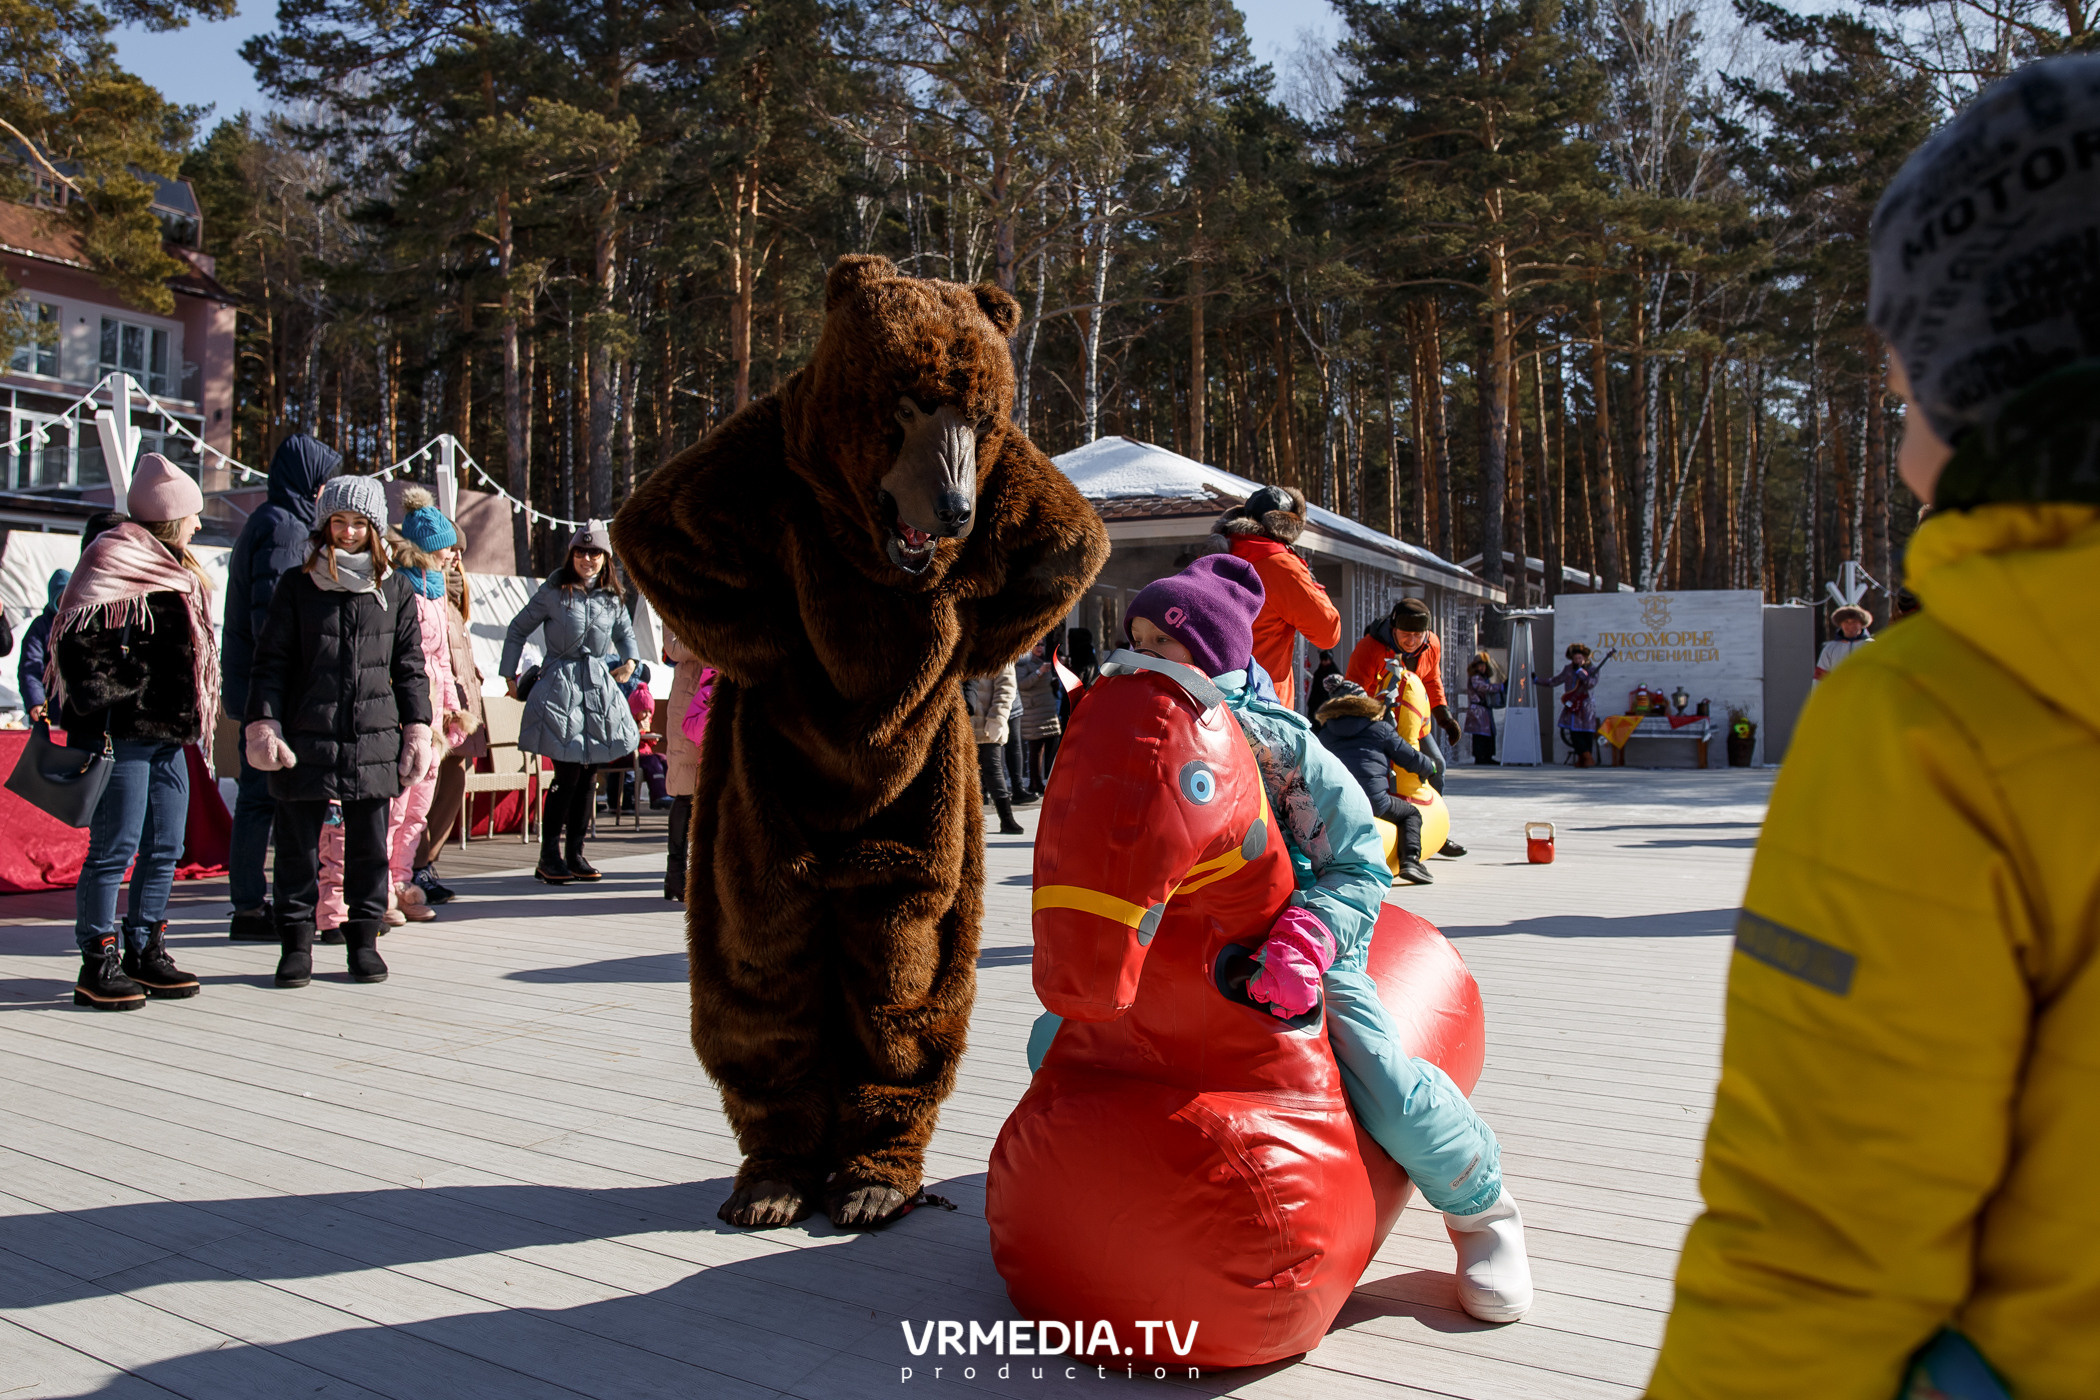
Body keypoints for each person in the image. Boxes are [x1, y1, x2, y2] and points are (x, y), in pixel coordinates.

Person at [1649, 56, 2100, 1399]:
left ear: (1996, 389)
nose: (1902, 434)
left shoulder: (1930, 723)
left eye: (1909, 390)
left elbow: (1819, 1236)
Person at [1090, 555, 1532, 1322]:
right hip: (1176, 950)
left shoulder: (1278, 745)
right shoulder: (1134, 739)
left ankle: (1482, 1211)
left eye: (1163, 642)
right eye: (1136, 640)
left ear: (1213, 653)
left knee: (1380, 1079)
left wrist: (1306, 938)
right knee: (1056, 1042)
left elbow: (1357, 865)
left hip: (1294, 946)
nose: (1142, 656)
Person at [245, 474, 431, 989]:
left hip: (373, 737)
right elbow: (270, 663)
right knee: (298, 850)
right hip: (305, 735)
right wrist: (265, 722)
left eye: (358, 523)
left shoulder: (394, 588)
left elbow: (411, 667)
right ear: (323, 525)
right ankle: (296, 945)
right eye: (338, 522)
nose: (348, 532)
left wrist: (417, 727)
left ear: (375, 528)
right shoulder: (297, 585)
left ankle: (364, 942)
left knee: (369, 850)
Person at [51, 456, 217, 1010]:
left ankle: (145, 947)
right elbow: (78, 646)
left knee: (167, 844)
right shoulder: (113, 555)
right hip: (122, 734)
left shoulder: (177, 567)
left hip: (171, 736)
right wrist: (134, 686)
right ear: (170, 516)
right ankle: (97, 959)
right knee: (114, 848)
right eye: (192, 514)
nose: (199, 523)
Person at [222, 433, 341, 942]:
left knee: (258, 797)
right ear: (309, 481)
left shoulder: (269, 520)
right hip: (273, 694)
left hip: (256, 687)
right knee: (269, 799)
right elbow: (276, 619)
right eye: (324, 481)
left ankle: (251, 903)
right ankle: (259, 906)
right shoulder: (285, 528)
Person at [499, 520, 639, 885]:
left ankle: (575, 853)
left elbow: (626, 634)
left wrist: (630, 662)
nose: (587, 559)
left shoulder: (612, 598)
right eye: (581, 552)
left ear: (605, 558)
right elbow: (517, 629)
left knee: (590, 773)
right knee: (568, 773)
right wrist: (509, 676)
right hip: (559, 689)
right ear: (571, 555)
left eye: (595, 553)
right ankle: (549, 855)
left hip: (598, 691)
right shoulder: (553, 591)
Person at [385, 488, 476, 919]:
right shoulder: (400, 589)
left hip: (436, 714)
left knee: (418, 809)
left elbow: (441, 661)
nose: (452, 556)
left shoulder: (437, 591)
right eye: (445, 548)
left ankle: (403, 881)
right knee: (395, 806)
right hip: (408, 713)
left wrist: (453, 708)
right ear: (426, 549)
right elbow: (403, 660)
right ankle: (379, 888)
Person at [1344, 597, 1467, 856]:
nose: (1412, 641)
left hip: (1413, 723)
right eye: (1405, 634)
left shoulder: (1432, 645)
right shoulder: (1369, 648)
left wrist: (1444, 717)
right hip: (1376, 724)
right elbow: (1354, 692)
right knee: (1382, 775)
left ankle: (1435, 831)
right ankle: (1378, 831)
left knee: (1436, 765)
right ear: (1393, 628)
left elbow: (1432, 680)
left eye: (1418, 635)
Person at [1210, 484, 1340, 710]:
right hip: (1261, 703)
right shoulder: (1280, 565)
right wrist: (1310, 582)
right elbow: (1328, 632)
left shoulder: (1212, 558)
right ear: (1288, 526)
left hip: (1210, 698)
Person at [412, 521, 487, 902]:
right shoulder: (419, 589)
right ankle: (414, 864)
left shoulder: (454, 592)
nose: (455, 556)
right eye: (450, 548)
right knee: (426, 785)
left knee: (454, 781)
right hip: (434, 699)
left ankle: (427, 862)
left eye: (460, 551)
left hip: (460, 700)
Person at [1312, 675, 1439, 885]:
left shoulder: (1325, 734)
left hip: (1336, 802)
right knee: (1410, 814)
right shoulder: (1380, 729)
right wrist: (1431, 767)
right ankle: (1411, 861)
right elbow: (1410, 758)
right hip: (1373, 801)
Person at [662, 632, 713, 901]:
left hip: (718, 691)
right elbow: (672, 647)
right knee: (685, 792)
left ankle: (707, 874)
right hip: (689, 697)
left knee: (715, 794)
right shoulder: (676, 604)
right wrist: (714, 639)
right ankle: (676, 874)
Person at [964, 662, 1023, 835]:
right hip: (966, 723)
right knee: (967, 773)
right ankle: (970, 821)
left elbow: (1006, 688)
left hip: (988, 725)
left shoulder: (1000, 654)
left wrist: (997, 718)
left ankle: (1006, 818)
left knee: (993, 770)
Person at [1535, 644, 1608, 766]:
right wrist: (1537, 680)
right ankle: (1584, 757)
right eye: (1575, 659)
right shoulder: (1568, 669)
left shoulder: (1592, 670)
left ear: (1585, 658)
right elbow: (1555, 681)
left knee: (1587, 733)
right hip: (1572, 704)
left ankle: (1585, 759)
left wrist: (1582, 673)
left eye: (1580, 658)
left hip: (1586, 706)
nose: (1577, 661)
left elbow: (1590, 684)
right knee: (1574, 732)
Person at [17, 568, 69, 722]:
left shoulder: (85, 624)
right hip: (50, 707)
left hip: (81, 709)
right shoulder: (40, 627)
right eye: (62, 597)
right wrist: (36, 702)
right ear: (54, 598)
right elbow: (30, 667)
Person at [1014, 638, 1062, 797]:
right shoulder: (1024, 662)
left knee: (1052, 743)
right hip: (1034, 712)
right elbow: (1022, 684)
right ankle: (1035, 782)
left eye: (1042, 644)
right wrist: (1039, 672)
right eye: (1036, 644)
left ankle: (1046, 779)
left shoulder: (1043, 661)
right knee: (1036, 748)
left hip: (1048, 709)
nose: (1040, 647)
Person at [1463, 652, 1504, 765]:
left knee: (1487, 734)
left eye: (1484, 665)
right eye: (1480, 665)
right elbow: (1484, 688)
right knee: (1480, 735)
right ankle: (1480, 756)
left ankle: (1487, 756)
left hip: (1484, 710)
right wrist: (1500, 686)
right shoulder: (1475, 678)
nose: (1482, 667)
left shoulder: (1483, 678)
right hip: (1478, 710)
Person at [1814, 604, 1872, 679]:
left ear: (1862, 623)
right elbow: (1820, 677)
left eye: (1854, 621)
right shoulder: (1830, 648)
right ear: (1840, 624)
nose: (1850, 625)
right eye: (1846, 621)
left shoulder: (1872, 646)